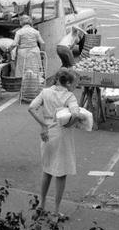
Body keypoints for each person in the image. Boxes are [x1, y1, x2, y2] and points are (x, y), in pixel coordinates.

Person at [28, 66, 92, 214]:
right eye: (75, 83)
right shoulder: (69, 97)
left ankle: (42, 203)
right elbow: (75, 114)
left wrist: (43, 125)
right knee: (61, 173)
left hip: (47, 133)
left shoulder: (45, 92)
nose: (76, 86)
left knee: (47, 170)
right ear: (68, 83)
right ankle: (56, 210)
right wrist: (74, 123)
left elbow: (31, 108)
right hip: (62, 135)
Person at [12, 13, 44, 84]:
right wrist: (42, 53)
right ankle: (35, 87)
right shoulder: (35, 31)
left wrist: (9, 50)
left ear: (21, 22)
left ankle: (24, 88)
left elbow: (14, 44)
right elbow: (42, 43)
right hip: (34, 52)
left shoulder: (19, 32)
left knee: (23, 70)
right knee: (35, 70)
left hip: (23, 53)